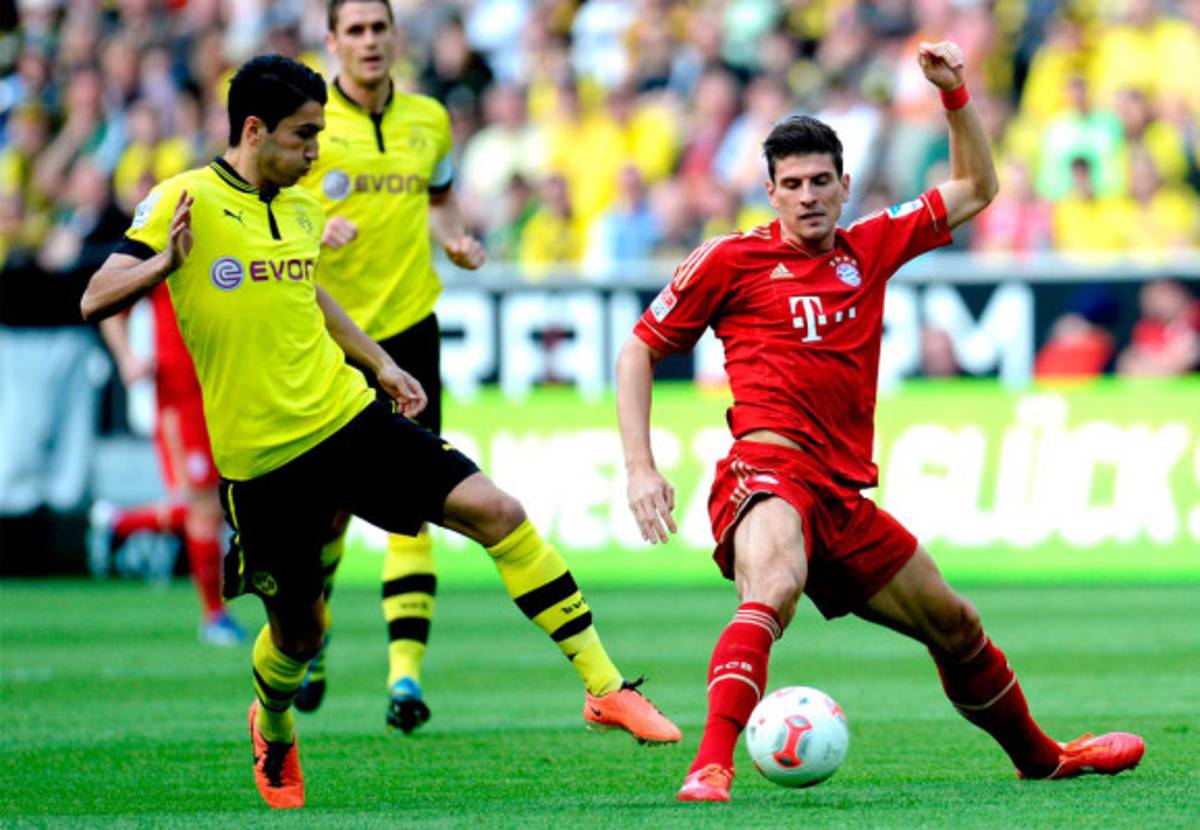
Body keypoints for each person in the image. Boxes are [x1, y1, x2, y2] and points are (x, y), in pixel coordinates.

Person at [81, 54, 680, 811]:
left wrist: (380, 363)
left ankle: (604, 686)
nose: (315, 152)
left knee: (498, 511)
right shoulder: (182, 199)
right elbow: (95, 297)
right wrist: (162, 264)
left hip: (348, 420)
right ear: (255, 129)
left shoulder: (298, 208)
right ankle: (272, 723)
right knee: (300, 635)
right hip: (263, 463)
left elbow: (307, 289)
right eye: (304, 136)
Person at [615, 42, 1145, 804]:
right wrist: (640, 465)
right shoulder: (727, 261)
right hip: (766, 472)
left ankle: (1042, 758)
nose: (807, 197)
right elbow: (639, 349)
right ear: (769, 190)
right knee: (771, 585)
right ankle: (711, 765)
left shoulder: (871, 244)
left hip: (842, 495)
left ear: (844, 185)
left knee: (956, 625)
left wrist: (956, 94)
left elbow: (976, 186)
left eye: (820, 182)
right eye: (791, 184)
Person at [294, 0, 490, 731]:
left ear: (394, 38)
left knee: (417, 503)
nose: (371, 42)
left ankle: (404, 681)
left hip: (411, 329)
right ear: (333, 41)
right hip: (330, 334)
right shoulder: (307, 124)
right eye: (357, 31)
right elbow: (267, 212)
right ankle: (308, 640)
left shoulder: (428, 120)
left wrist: (459, 239)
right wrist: (317, 226)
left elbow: (439, 200)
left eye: (381, 29)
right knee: (329, 509)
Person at [93, 278, 246, 646]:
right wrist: (128, 358)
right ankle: (214, 616)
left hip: (235, 393)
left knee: (228, 504)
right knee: (205, 507)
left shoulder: (238, 238)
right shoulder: (165, 241)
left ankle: (121, 522)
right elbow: (108, 302)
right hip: (183, 399)